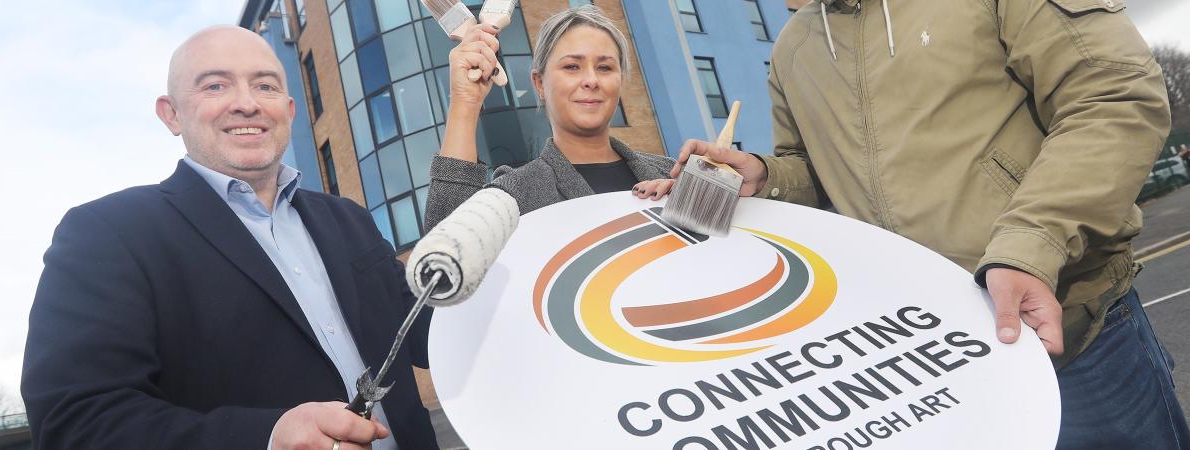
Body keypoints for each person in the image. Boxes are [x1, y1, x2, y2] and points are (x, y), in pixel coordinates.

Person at [638, 0, 1189, 447]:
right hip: (931, 363)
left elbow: (1113, 96)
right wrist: (767, 175)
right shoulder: (793, 48)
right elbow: (814, 170)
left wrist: (1030, 245)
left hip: (1074, 334)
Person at [22, 26, 437, 450]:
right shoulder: (106, 233)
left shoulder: (349, 219)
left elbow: (431, 331)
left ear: (289, 110)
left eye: (265, 85)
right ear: (171, 114)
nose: (247, 103)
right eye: (215, 85)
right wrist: (268, 438)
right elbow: (74, 423)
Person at [424, 6, 674, 230]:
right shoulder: (516, 194)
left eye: (605, 67)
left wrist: (711, 186)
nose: (591, 80)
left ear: (620, 80)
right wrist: (465, 102)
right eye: (572, 67)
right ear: (539, 83)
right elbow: (446, 251)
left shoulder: (673, 175)